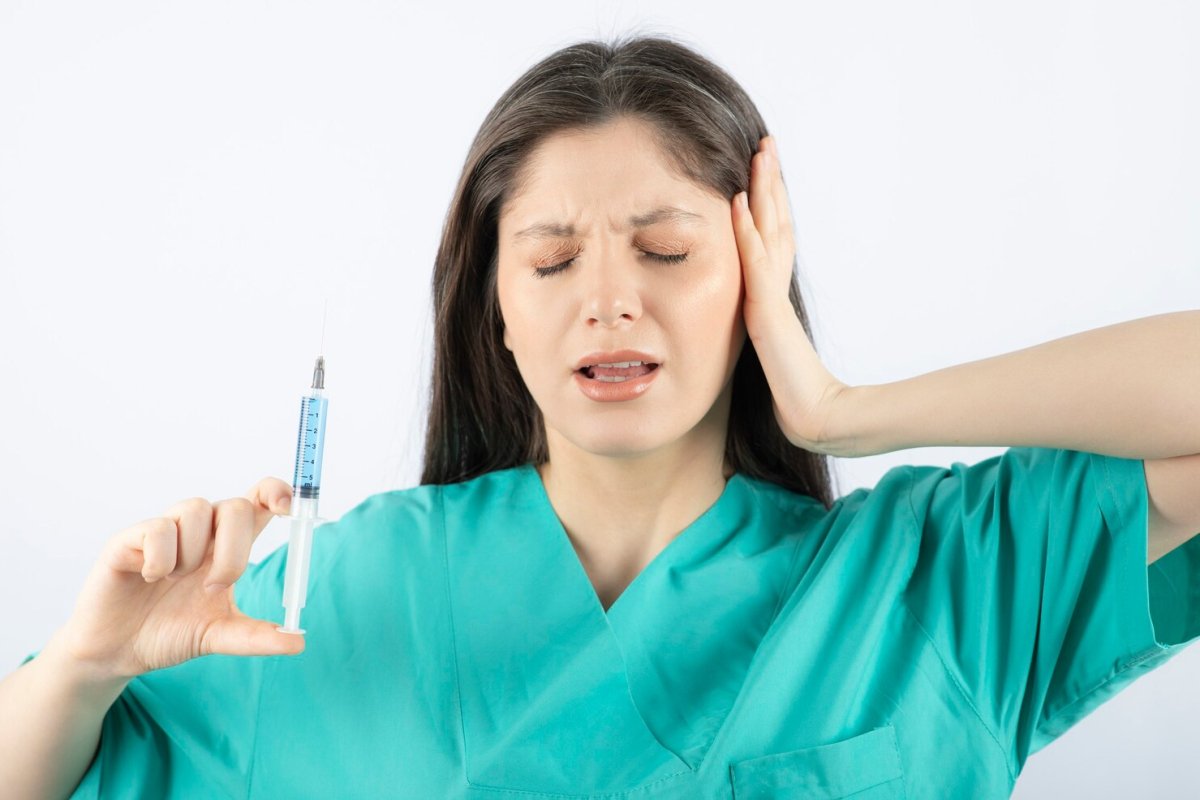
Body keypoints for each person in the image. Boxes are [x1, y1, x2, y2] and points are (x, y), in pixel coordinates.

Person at [3, 32, 1199, 800]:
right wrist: (84, 668)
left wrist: (844, 408)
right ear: (495, 311)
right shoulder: (346, 593)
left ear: (757, 278)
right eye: (552, 258)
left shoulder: (943, 579)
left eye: (666, 249)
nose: (610, 299)